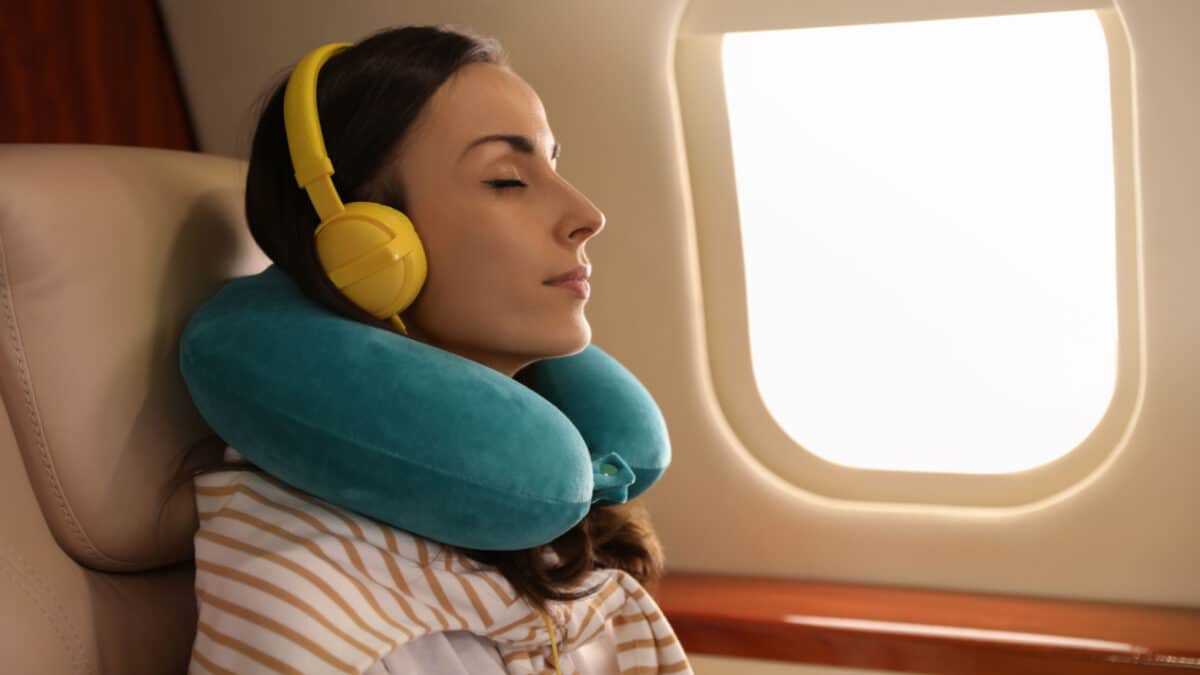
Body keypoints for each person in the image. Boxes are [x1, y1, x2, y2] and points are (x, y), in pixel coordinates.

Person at [188, 24, 692, 675]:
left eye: (554, 164)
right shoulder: (320, 601)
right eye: (508, 179)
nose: (586, 213)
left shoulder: (538, 514)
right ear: (368, 247)